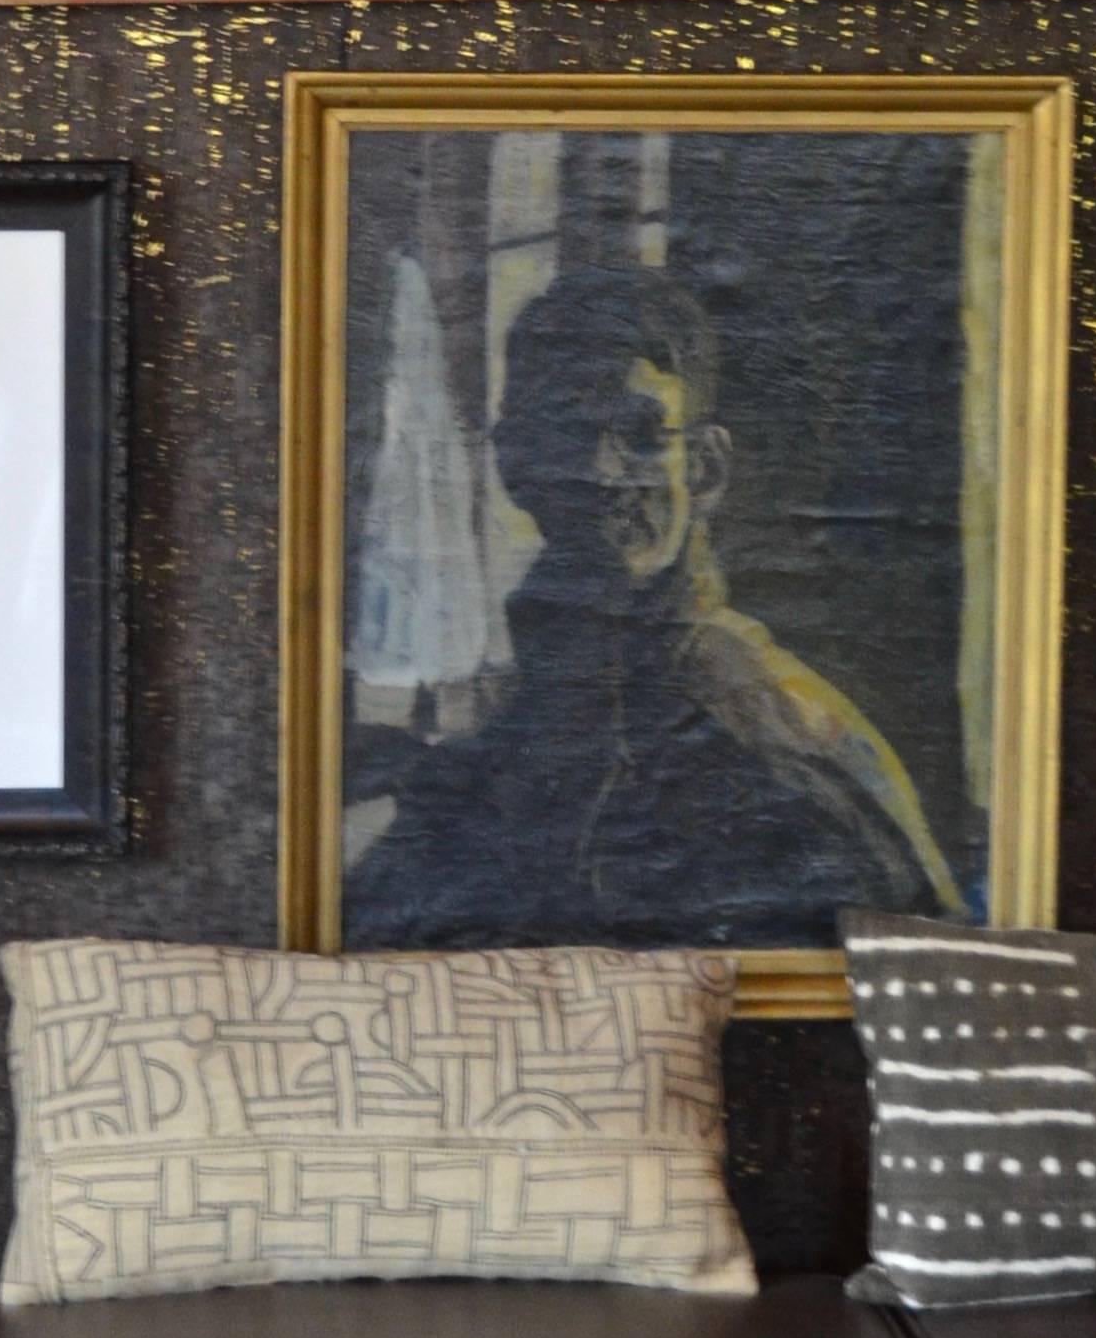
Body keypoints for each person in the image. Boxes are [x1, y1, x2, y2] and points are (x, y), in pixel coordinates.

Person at [345, 262, 967, 946]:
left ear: (704, 468)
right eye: (566, 431)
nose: (603, 471)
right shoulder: (544, 700)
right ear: (514, 461)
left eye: (641, 435)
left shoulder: (759, 728)